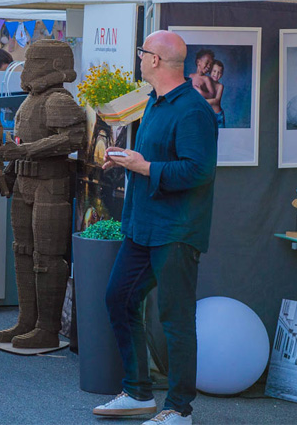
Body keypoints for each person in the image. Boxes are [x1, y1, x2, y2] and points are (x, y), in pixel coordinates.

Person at [94, 30, 218, 425]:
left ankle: (180, 409)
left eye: (142, 51)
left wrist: (143, 166)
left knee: (175, 319)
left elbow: (199, 171)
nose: (139, 57)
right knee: (119, 298)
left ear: (156, 61)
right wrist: (124, 159)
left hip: (177, 230)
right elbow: (156, 157)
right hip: (143, 225)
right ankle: (137, 392)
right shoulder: (153, 101)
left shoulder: (194, 110)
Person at [208, 60, 225, 128]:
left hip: (218, 116)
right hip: (208, 115)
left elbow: (216, 100)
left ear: (221, 75)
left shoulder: (220, 86)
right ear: (210, 71)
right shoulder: (206, 83)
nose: (216, 74)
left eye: (219, 72)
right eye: (214, 71)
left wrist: (202, 101)